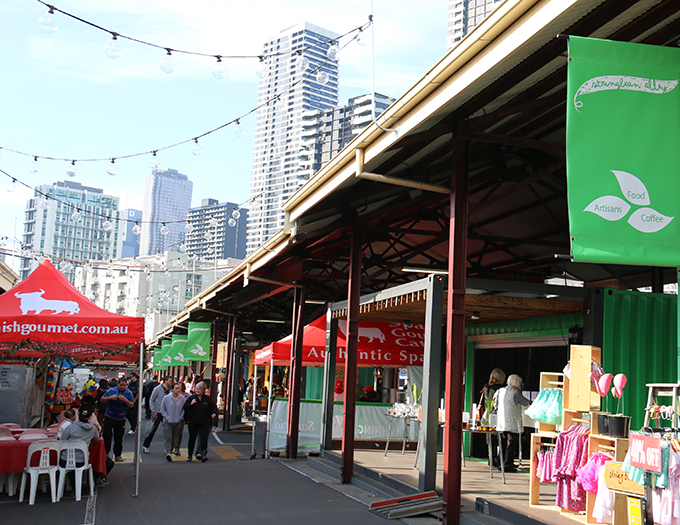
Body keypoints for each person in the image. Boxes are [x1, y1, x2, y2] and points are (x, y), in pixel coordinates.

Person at [58, 405, 109, 488]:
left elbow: (61, 442)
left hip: (66, 459)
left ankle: (72, 486)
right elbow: (96, 439)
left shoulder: (70, 428)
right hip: (82, 460)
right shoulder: (92, 429)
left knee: (66, 465)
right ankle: (77, 487)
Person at [495, 374, 531, 473]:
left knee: (502, 443)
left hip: (502, 422)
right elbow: (526, 403)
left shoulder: (501, 391)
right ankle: (508, 465)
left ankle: (499, 463)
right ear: (516, 384)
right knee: (510, 445)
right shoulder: (515, 393)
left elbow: (495, 404)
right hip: (512, 423)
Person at [100, 377, 135, 462]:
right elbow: (102, 399)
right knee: (107, 435)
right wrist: (110, 398)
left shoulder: (129, 393)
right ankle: (106, 453)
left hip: (121, 418)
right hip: (110, 416)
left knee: (118, 437)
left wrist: (125, 400)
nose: (122, 387)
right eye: (121, 385)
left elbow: (131, 405)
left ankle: (118, 455)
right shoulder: (112, 391)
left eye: (124, 385)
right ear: (118, 384)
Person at [183, 381, 217, 462]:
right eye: (196, 389)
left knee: (203, 438)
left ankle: (203, 453)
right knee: (192, 438)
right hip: (193, 421)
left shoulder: (208, 399)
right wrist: (191, 404)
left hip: (204, 421)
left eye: (199, 389)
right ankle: (190, 455)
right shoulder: (192, 398)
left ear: (203, 390)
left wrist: (214, 413)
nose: (197, 390)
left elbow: (213, 407)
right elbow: (185, 407)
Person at [481, 368, 506, 468]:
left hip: (488, 414)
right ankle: (499, 460)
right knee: (499, 436)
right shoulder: (501, 389)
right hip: (498, 414)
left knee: (490, 437)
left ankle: (491, 458)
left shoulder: (486, 387)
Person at [143, 375, 173, 453]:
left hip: (167, 412)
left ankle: (168, 449)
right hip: (158, 411)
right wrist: (153, 411)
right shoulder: (157, 389)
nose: (171, 382)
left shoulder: (170, 390)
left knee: (168, 431)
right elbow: (151, 400)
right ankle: (146, 445)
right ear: (165, 381)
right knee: (153, 429)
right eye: (170, 380)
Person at [161, 382, 186, 461]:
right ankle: (168, 452)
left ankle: (171, 450)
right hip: (167, 421)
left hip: (177, 421)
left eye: (179, 388)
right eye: (176, 388)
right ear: (172, 389)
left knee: (174, 438)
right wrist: (166, 417)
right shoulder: (166, 398)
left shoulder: (182, 398)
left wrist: (180, 417)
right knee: (168, 437)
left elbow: (183, 409)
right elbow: (162, 409)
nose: (178, 390)